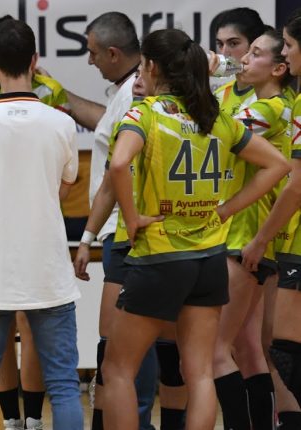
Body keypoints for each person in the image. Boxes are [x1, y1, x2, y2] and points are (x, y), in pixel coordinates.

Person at [103, 28, 289, 429]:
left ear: (152, 67)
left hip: (159, 256)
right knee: (200, 372)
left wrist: (132, 218)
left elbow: (118, 164)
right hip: (208, 259)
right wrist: (225, 210)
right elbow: (278, 165)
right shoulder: (216, 118)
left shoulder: (146, 113)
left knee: (118, 369)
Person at [0, 17, 83, 430]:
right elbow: (64, 188)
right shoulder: (61, 123)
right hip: (47, 270)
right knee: (64, 386)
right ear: (35, 60)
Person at [64, 12, 167, 430]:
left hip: (127, 233)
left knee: (123, 346)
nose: (89, 61)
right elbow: (107, 138)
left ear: (111, 52)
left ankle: (134, 421)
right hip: (124, 231)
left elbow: (116, 170)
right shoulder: (129, 92)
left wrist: (101, 231)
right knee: (138, 346)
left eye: (91, 53)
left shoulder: (136, 96)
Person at [215, 27, 295, 430]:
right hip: (255, 235)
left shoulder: (272, 108)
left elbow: (216, 132)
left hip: (246, 233)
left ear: (279, 68)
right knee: (249, 348)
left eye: (255, 53)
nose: (243, 59)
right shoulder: (268, 103)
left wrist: (188, 83)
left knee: (215, 351)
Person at [242, 9, 301, 427]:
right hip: (287, 240)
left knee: (283, 350)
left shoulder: (283, 106)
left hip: (290, 238)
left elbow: (296, 185)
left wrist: (261, 238)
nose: (287, 52)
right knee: (271, 347)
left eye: (290, 45)